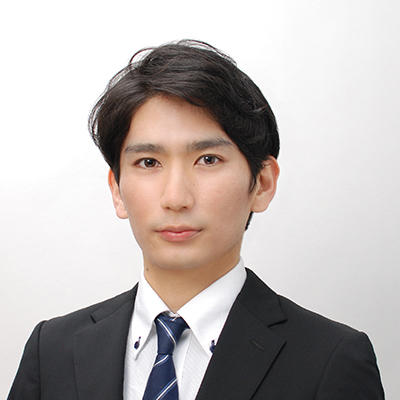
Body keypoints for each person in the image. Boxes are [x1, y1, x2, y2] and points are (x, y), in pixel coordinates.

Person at [8, 40, 384, 400]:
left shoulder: (331, 360)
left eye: (208, 160)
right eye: (148, 162)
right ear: (117, 190)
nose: (176, 198)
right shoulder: (52, 350)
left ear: (262, 183)